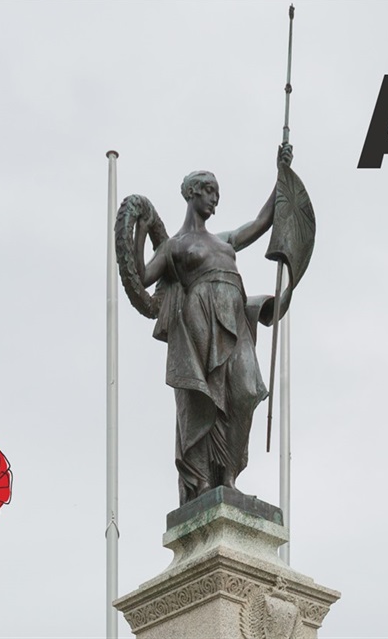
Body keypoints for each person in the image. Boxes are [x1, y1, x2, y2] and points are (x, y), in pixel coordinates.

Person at [138, 145, 293, 505]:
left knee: (244, 391)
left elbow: (261, 222)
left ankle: (230, 477)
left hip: (234, 319)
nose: (215, 201)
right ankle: (206, 482)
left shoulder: (224, 240)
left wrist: (280, 175)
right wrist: (139, 232)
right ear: (193, 193)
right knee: (203, 399)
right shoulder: (175, 246)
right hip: (200, 320)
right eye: (210, 193)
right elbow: (141, 277)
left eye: (218, 196)